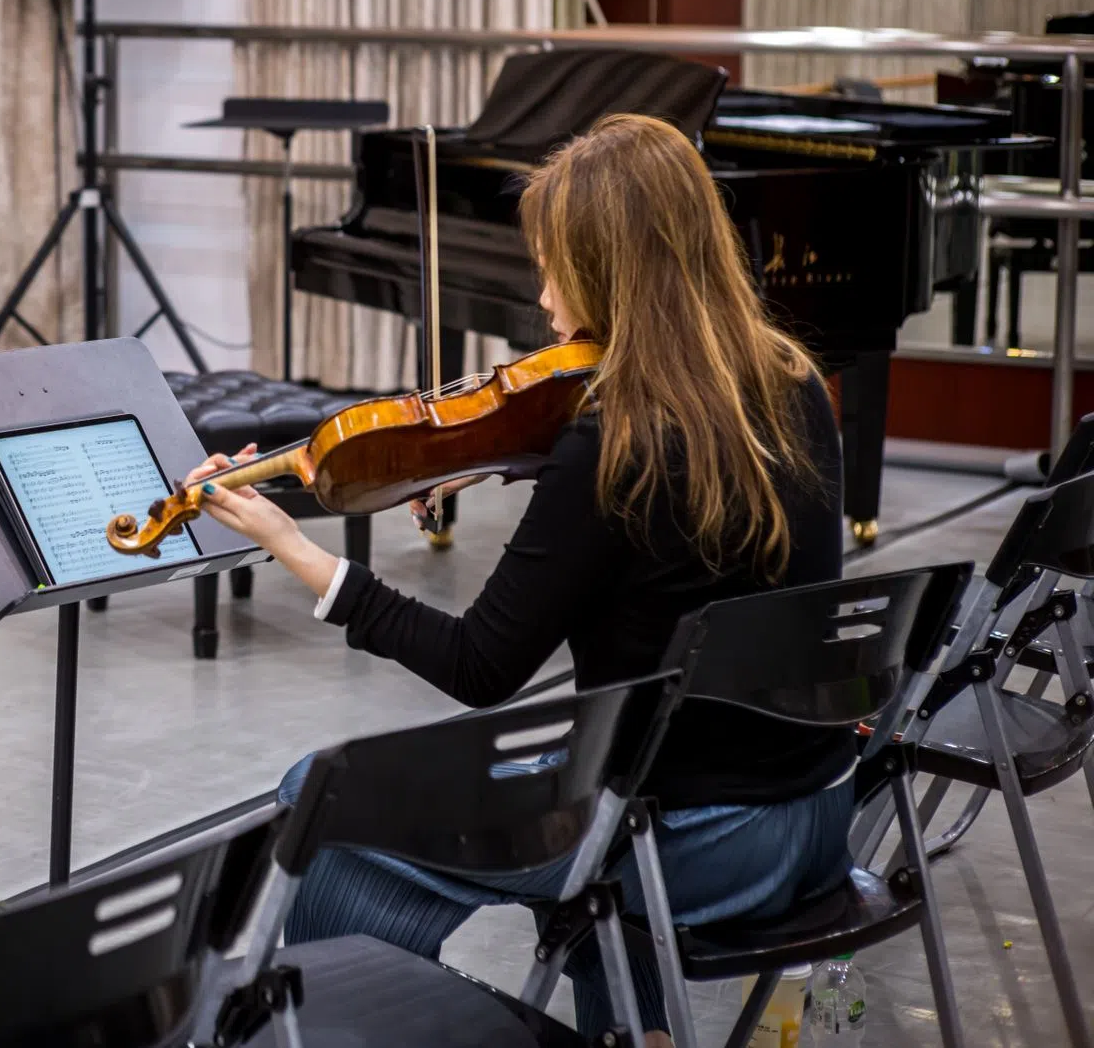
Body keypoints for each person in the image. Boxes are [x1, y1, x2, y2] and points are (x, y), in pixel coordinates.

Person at [187, 114, 853, 1047]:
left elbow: (480, 666)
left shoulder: (611, 449)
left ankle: (355, 1026)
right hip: (818, 810)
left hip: (686, 843)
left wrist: (295, 548)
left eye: (554, 271)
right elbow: (672, 539)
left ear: (614, 276)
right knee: (585, 764)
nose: (543, 300)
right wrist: (523, 458)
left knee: (321, 796)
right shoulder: (792, 385)